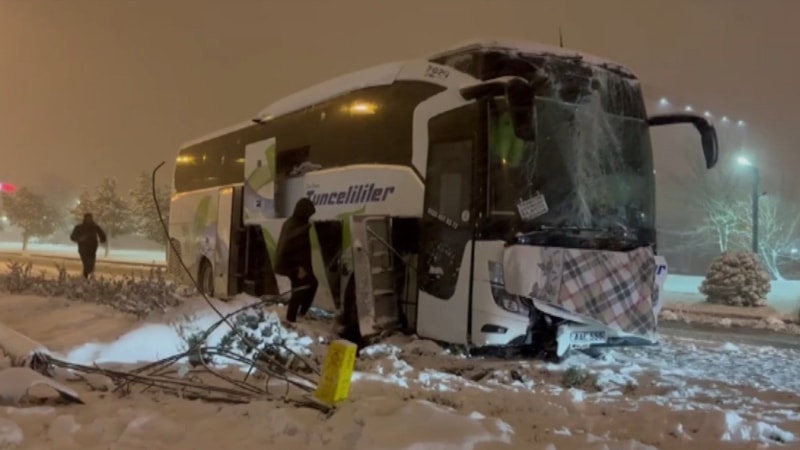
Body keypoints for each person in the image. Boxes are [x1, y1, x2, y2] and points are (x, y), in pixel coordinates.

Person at [274, 198, 318, 323]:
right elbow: (297, 249)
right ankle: (293, 318)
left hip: (289, 264)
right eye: (309, 214)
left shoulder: (290, 222)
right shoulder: (298, 226)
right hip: (293, 265)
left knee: (305, 286)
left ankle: (297, 315)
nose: (310, 217)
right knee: (301, 288)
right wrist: (300, 268)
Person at [70, 213, 107, 279]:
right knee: (86, 263)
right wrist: (80, 239)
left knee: (91, 263)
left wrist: (102, 239)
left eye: (90, 218)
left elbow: (102, 234)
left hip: (92, 248)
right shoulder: (79, 227)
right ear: (84, 219)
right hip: (83, 248)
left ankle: (89, 276)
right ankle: (86, 276)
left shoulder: (95, 227)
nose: (88, 220)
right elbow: (72, 237)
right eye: (87, 218)